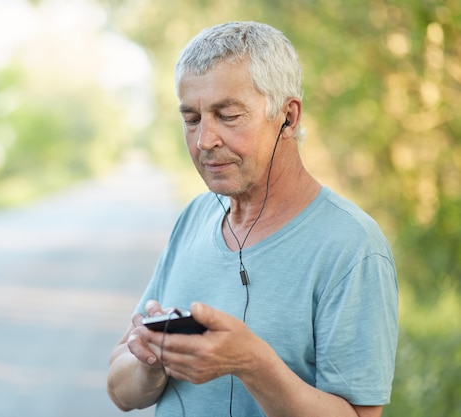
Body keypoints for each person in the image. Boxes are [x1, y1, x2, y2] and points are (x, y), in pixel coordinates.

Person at [107, 21, 398, 417]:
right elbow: (120, 390)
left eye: (227, 115)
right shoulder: (193, 217)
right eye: (191, 119)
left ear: (288, 118)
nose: (204, 140)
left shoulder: (351, 246)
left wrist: (252, 364)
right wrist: (154, 362)